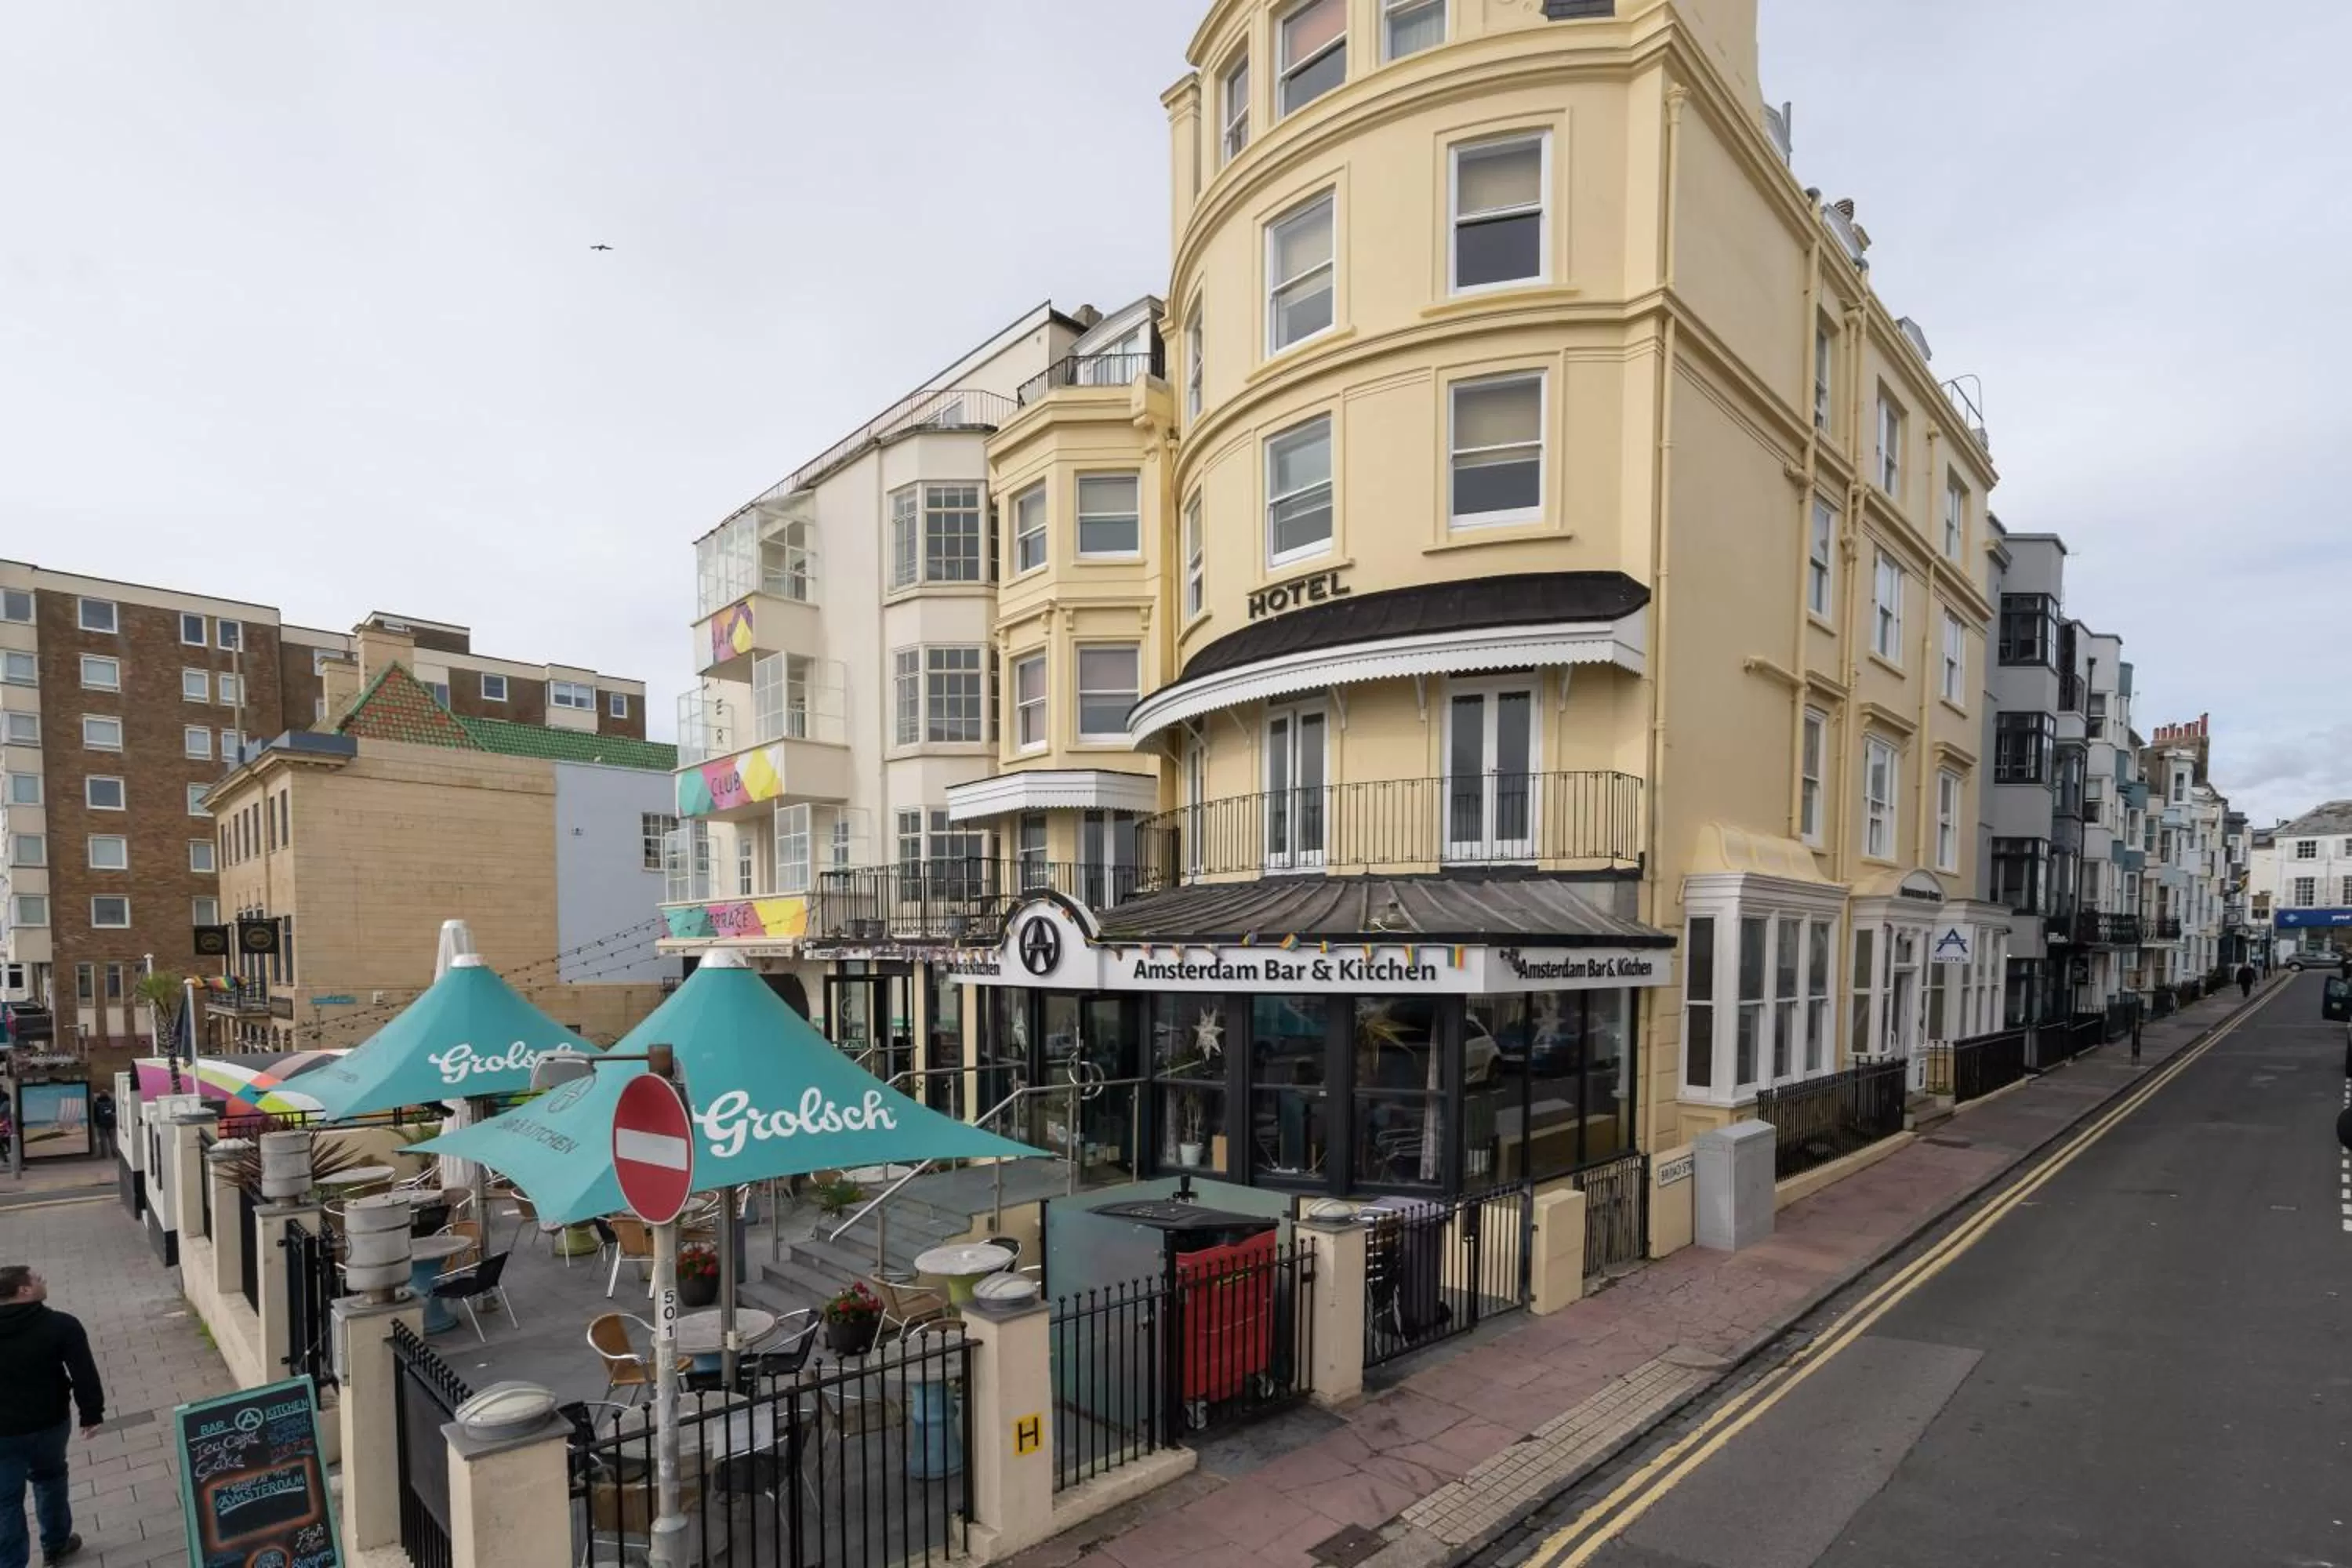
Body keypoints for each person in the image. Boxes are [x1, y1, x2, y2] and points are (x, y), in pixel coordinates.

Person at [0, 1264, 103, 1568]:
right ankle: (56, 1544)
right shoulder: (61, 1325)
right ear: (24, 1290)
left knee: (6, 1501)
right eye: (37, 1279)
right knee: (51, 1479)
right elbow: (84, 1373)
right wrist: (91, 1413)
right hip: (49, 1423)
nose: (44, 1281)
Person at [87, 1095, 113, 1163]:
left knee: (103, 1140)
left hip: (101, 1125)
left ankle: (105, 1155)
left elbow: (94, 1114)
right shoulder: (112, 1103)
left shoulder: (97, 1104)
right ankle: (115, 1153)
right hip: (112, 1124)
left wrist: (95, 1122)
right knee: (113, 1140)